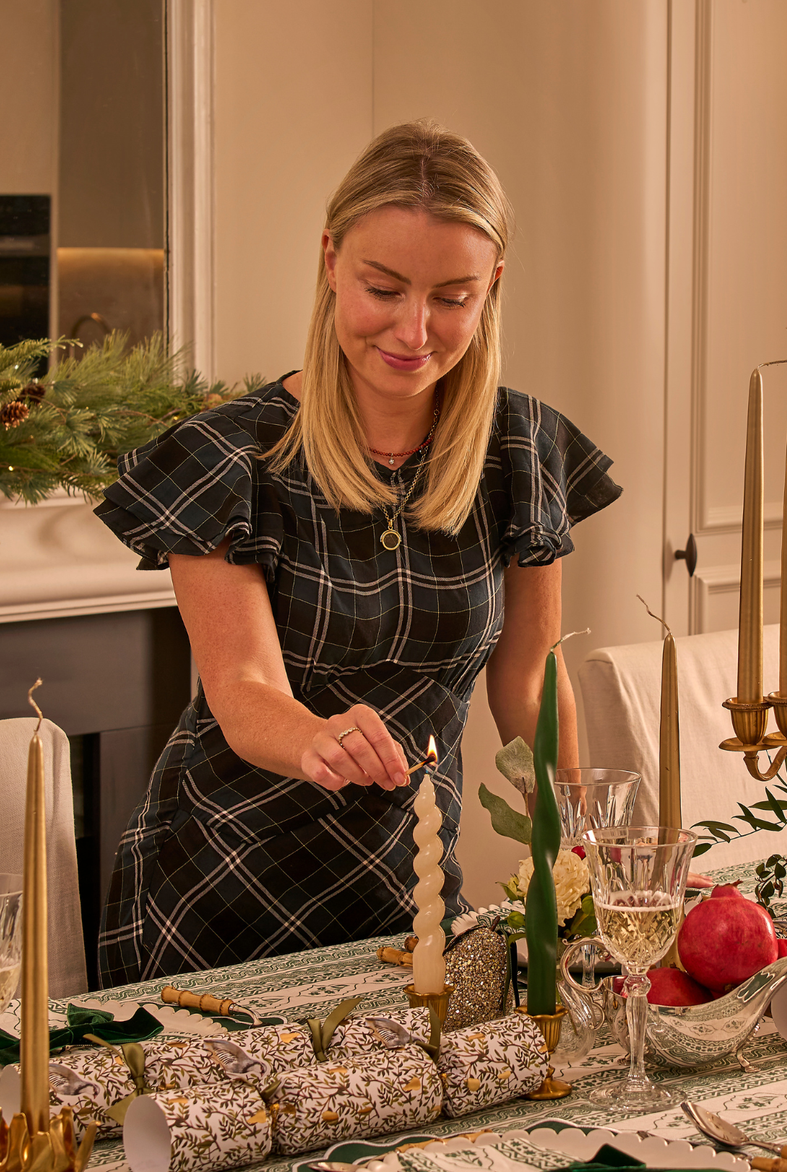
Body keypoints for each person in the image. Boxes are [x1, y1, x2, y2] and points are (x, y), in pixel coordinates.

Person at [93, 121, 620, 984]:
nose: (415, 330)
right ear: (331, 261)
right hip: (221, 895)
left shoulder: (522, 448)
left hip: (410, 889)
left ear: (492, 286)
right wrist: (318, 740)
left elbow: (528, 679)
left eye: (452, 298)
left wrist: (580, 848)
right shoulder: (231, 456)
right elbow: (241, 687)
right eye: (384, 287)